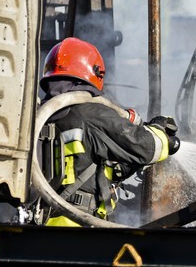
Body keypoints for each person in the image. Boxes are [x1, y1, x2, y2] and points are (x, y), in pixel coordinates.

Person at [37, 37, 180, 226]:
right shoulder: (91, 113)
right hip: (77, 225)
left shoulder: (41, 114)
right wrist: (161, 132)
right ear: (95, 72)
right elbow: (146, 145)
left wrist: (125, 166)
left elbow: (84, 163)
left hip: (44, 221)